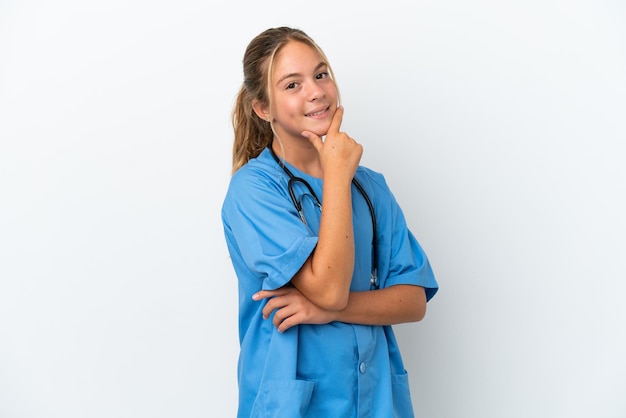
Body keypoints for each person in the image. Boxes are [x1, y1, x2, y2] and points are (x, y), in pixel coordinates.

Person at [221, 26, 439, 418]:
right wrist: (336, 176)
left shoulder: (370, 187)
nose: (316, 91)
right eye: (293, 84)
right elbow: (329, 287)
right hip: (296, 405)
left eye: (321, 74)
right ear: (262, 108)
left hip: (376, 401)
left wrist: (331, 310)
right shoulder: (253, 190)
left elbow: (413, 299)